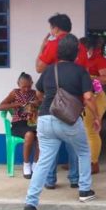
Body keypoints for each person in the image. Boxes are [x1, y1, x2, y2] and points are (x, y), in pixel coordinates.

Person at [23, 34, 101, 210]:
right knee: (83, 151)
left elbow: (39, 94)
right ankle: (84, 190)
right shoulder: (80, 71)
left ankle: (31, 204)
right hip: (69, 120)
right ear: (76, 53)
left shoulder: (49, 70)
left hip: (45, 119)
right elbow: (89, 97)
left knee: (43, 162)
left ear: (58, 53)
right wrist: (97, 116)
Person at [36, 13, 88, 188]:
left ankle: (50, 180)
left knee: (50, 147)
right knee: (75, 145)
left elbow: (39, 68)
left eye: (51, 28)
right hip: (75, 103)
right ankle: (75, 179)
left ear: (56, 28)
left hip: (53, 102)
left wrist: (42, 48)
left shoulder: (53, 44)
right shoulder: (79, 47)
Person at [0, 72, 40, 179]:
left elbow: (42, 103)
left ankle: (35, 164)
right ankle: (26, 164)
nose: (26, 89)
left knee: (41, 135)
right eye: (23, 86)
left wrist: (37, 103)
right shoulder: (14, 93)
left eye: (29, 86)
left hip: (32, 122)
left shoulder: (34, 93)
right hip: (18, 124)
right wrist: (17, 104)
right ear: (18, 84)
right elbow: (0, 107)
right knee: (29, 135)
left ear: (32, 83)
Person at [81, 35, 106, 174]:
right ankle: (81, 161)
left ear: (89, 48)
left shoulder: (99, 59)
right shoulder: (81, 60)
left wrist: (91, 78)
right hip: (84, 98)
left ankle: (94, 163)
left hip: (96, 98)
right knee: (82, 131)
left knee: (91, 130)